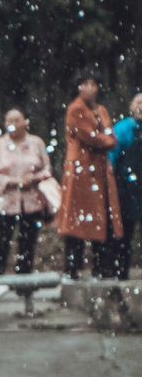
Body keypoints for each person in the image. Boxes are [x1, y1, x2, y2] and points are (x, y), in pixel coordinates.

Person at [57, 71, 125, 281]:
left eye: (93, 84)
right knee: (77, 220)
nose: (90, 88)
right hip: (81, 172)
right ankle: (72, 267)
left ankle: (102, 267)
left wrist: (106, 137)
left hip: (99, 172)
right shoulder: (75, 109)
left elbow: (110, 136)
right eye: (85, 84)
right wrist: (106, 138)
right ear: (78, 87)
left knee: (102, 218)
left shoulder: (101, 110)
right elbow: (93, 137)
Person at [0, 109, 53, 279]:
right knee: (0, 244)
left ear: (25, 122)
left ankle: (24, 282)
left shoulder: (36, 143)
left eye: (17, 120)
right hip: (4, 202)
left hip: (31, 201)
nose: (13, 124)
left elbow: (47, 168)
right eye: (9, 120)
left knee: (28, 244)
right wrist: (11, 181)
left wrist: (34, 178)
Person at [110, 92, 142, 280]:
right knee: (125, 233)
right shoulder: (123, 128)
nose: (141, 107)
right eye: (138, 102)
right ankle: (120, 272)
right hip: (127, 188)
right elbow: (112, 155)